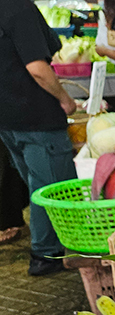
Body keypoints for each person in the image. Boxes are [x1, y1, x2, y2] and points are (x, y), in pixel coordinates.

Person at [0, 0, 77, 275]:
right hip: (37, 118)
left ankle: (49, 248)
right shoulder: (20, 10)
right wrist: (65, 99)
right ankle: (45, 254)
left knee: (37, 182)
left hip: (9, 120)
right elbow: (37, 68)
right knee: (47, 188)